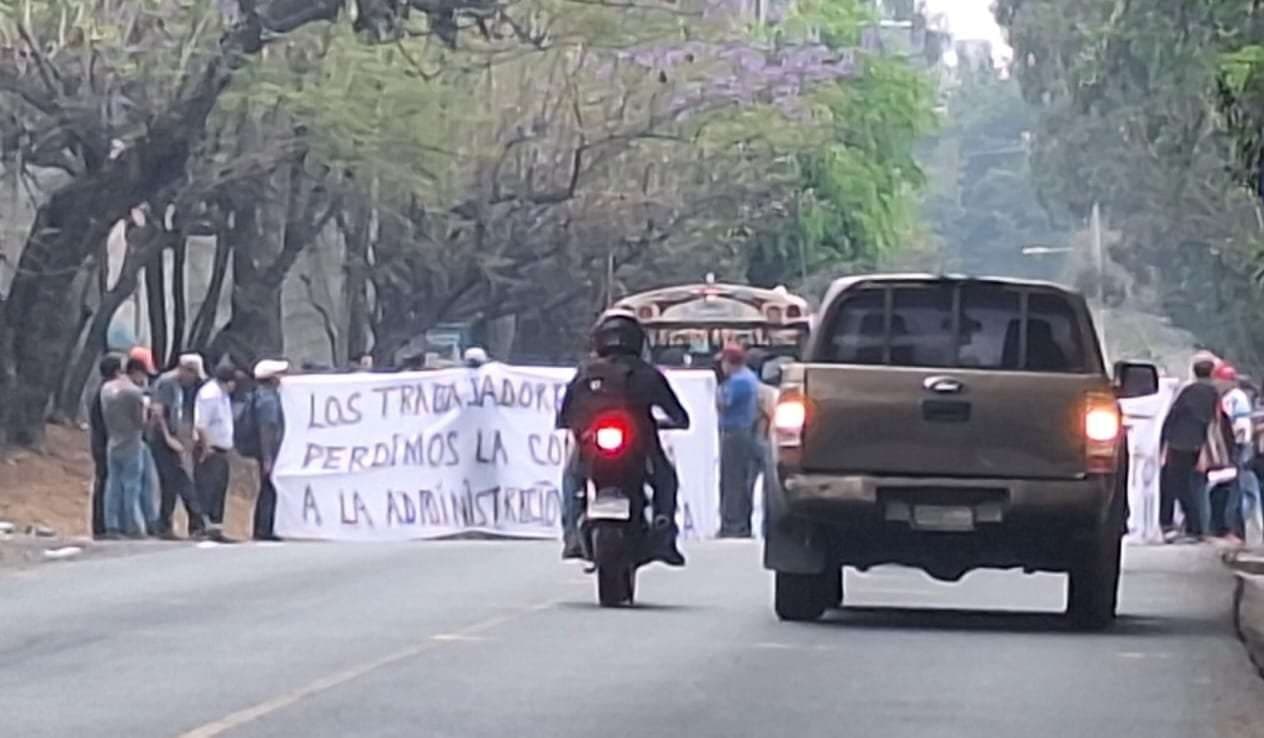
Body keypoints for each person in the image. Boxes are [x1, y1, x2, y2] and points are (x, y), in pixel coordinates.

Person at [556, 311, 690, 566]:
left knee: (572, 479)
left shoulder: (586, 372)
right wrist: (671, 422)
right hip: (633, 446)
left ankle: (572, 534)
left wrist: (575, 426)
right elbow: (679, 415)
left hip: (605, 446)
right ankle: (665, 532)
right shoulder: (647, 373)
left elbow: (564, 415)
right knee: (665, 479)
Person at [150, 354, 213, 539]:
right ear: (184, 369)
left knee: (171, 483)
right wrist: (168, 437)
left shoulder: (179, 387)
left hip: (174, 438)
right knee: (180, 479)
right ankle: (196, 522)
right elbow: (158, 412)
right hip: (161, 438)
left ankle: (165, 524)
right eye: (192, 374)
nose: (193, 380)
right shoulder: (167, 383)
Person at [1160, 357, 1220, 540]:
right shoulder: (1212, 393)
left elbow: (1173, 417)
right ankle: (1194, 526)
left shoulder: (1188, 391)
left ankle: (1171, 524)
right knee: (1189, 486)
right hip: (1195, 445)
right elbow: (1210, 423)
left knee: (1171, 485)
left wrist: (1164, 443)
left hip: (1178, 443)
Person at [100, 357, 151, 538]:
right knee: (131, 485)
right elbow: (140, 422)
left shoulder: (106, 389)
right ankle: (133, 525)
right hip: (131, 441)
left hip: (113, 440)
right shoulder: (133, 393)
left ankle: (111, 524)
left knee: (112, 484)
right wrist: (146, 408)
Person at [717, 344, 760, 538]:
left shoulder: (738, 381)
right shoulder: (749, 377)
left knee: (732, 480)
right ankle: (740, 523)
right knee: (741, 478)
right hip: (744, 431)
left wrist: (718, 390)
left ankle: (733, 525)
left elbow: (724, 404)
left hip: (735, 432)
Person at [1216, 364, 1260, 544]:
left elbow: (1240, 426)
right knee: (1239, 487)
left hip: (1239, 446)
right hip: (1241, 445)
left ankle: (1237, 528)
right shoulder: (1236, 396)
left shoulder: (1234, 398)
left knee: (1239, 487)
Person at [194, 362, 237, 527]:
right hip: (210, 449)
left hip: (221, 450)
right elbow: (201, 424)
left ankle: (217, 524)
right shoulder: (210, 395)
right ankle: (205, 525)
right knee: (208, 489)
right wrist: (206, 448)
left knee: (219, 489)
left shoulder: (222, 394)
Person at [251, 359, 289, 541]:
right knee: (268, 489)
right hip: (265, 452)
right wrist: (268, 458)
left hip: (262, 451)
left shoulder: (261, 395)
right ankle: (264, 528)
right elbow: (266, 428)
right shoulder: (267, 400)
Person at [89, 354, 123, 538]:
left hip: (100, 441)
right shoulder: (107, 393)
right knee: (104, 482)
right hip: (104, 442)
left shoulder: (101, 390)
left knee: (103, 481)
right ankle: (101, 525)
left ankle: (101, 524)